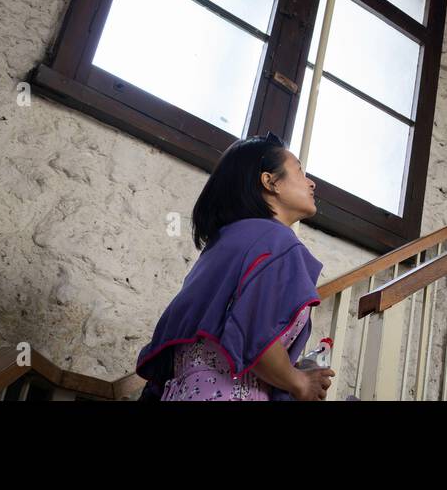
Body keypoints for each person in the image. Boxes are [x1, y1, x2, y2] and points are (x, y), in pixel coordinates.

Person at [135, 132, 334, 401]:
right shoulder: (276, 240)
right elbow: (254, 334)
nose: (311, 183)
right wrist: (297, 380)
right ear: (270, 182)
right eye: (300, 172)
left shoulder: (221, 247)